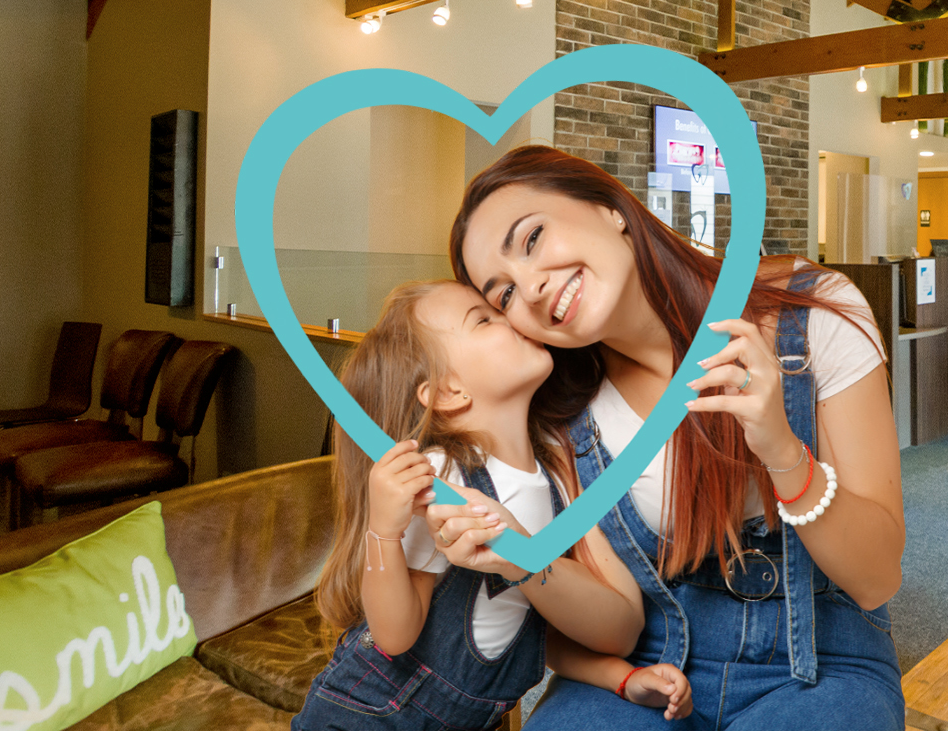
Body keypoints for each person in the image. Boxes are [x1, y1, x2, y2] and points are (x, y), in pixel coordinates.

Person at [430, 145, 906, 729]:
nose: (529, 289)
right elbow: (615, 623)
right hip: (649, 661)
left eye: (531, 240)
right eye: (503, 294)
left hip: (818, 660)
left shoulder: (809, 314)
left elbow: (877, 577)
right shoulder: (561, 411)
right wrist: (517, 553)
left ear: (609, 207)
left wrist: (780, 448)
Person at [295, 280, 691, 730]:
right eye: (484, 319)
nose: (514, 317)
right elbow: (394, 636)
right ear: (448, 393)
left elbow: (528, 635)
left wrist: (623, 679)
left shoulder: (557, 481)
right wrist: (382, 531)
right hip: (363, 718)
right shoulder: (443, 476)